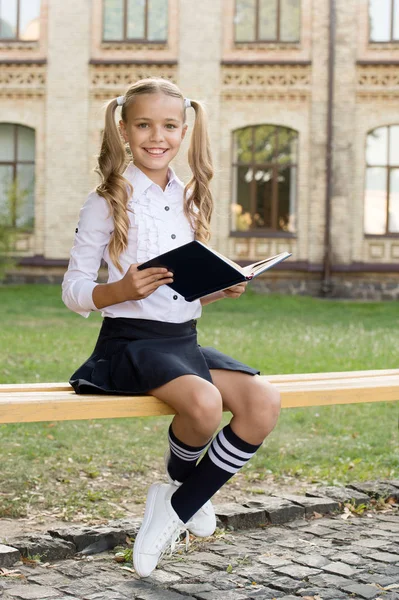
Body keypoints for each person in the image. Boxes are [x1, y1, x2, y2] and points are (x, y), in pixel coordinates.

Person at [62, 77, 281, 578]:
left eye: (168, 126)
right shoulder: (105, 201)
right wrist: (120, 291)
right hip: (130, 344)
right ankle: (181, 503)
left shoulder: (190, 198)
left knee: (263, 400)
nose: (156, 136)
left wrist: (218, 288)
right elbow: (73, 289)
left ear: (183, 132)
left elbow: (180, 292)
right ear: (123, 129)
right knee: (204, 405)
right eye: (143, 125)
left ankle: (176, 503)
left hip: (183, 342)